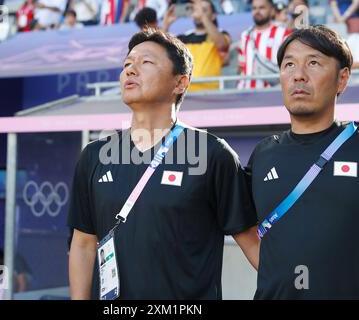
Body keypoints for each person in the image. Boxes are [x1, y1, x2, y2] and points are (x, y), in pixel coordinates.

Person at [68, 29, 259, 300]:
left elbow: (253, 244)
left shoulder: (212, 154)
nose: (131, 70)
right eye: (127, 64)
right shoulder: (94, 156)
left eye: (145, 62)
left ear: (180, 83)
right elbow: (84, 243)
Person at [246, 25, 359, 299]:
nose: (298, 75)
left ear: (342, 80)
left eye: (314, 63)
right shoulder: (263, 154)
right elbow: (241, 225)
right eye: (289, 64)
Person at [162, 0, 231, 91]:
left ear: (213, 16)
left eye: (204, 10)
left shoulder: (220, 34)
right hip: (187, 94)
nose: (199, 12)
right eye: (196, 9)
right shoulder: (184, 37)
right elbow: (161, 50)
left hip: (211, 93)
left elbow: (222, 45)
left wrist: (203, 17)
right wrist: (165, 25)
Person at [237, 0, 292, 89]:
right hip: (246, 92)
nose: (257, 11)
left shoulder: (283, 34)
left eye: (262, 7)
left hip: (273, 92)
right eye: (254, 8)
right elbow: (241, 66)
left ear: (272, 11)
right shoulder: (245, 35)